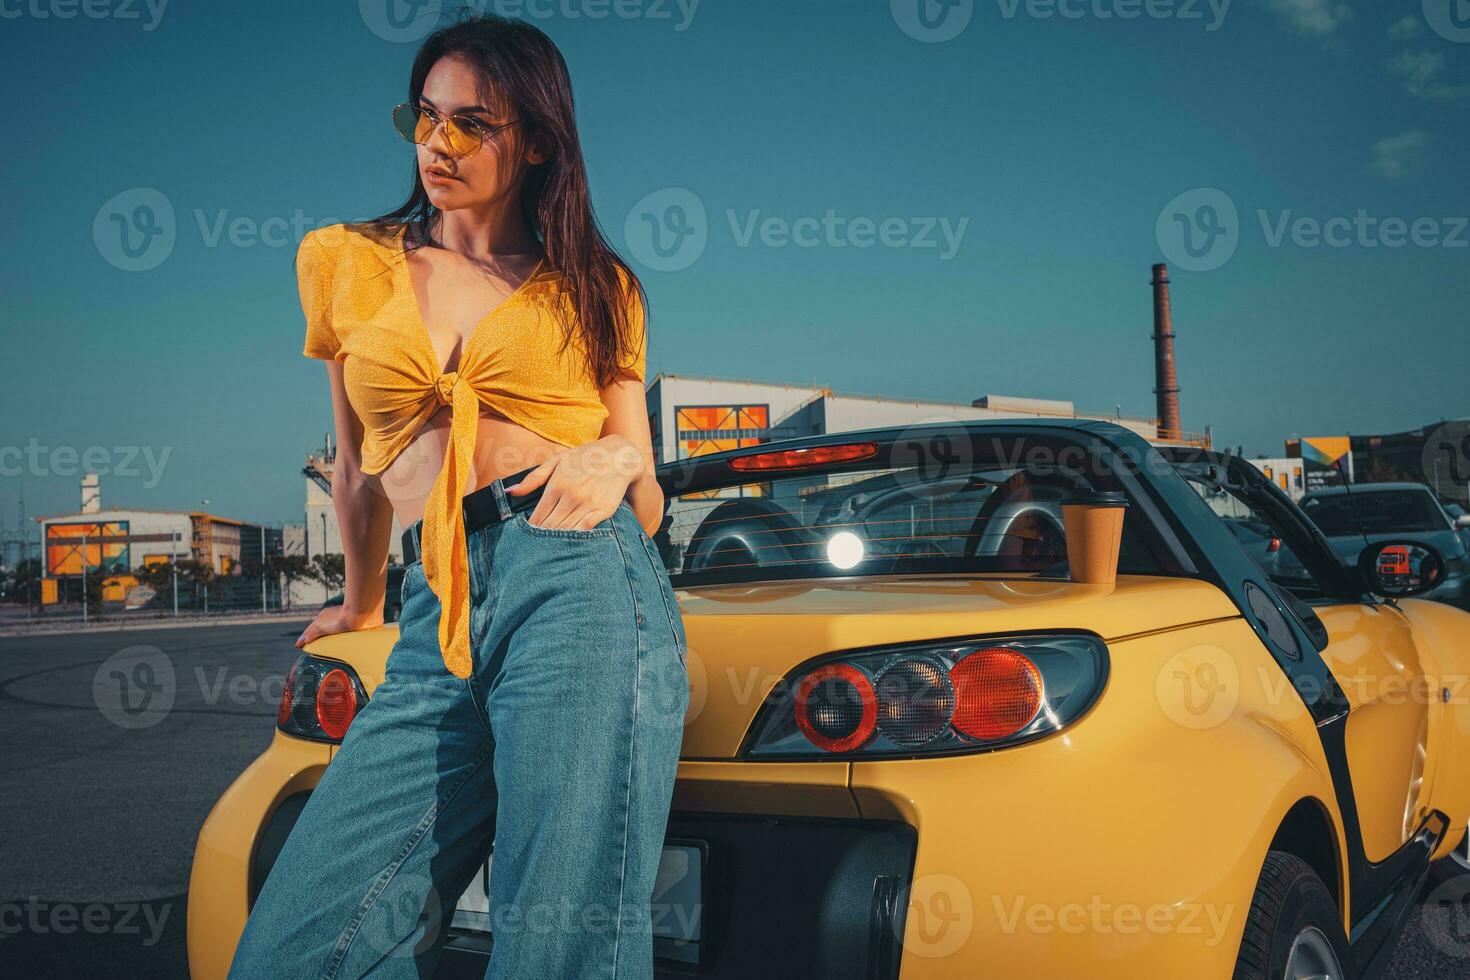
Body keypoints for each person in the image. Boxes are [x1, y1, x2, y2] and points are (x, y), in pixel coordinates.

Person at [228, 12, 689, 979]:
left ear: (536, 140)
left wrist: (612, 461)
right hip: (436, 611)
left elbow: (642, 483)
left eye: (471, 123)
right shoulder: (346, 261)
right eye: (424, 117)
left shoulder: (599, 287)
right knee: (295, 947)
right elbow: (356, 471)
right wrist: (361, 603)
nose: (438, 143)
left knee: (558, 941)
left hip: (581, 580)